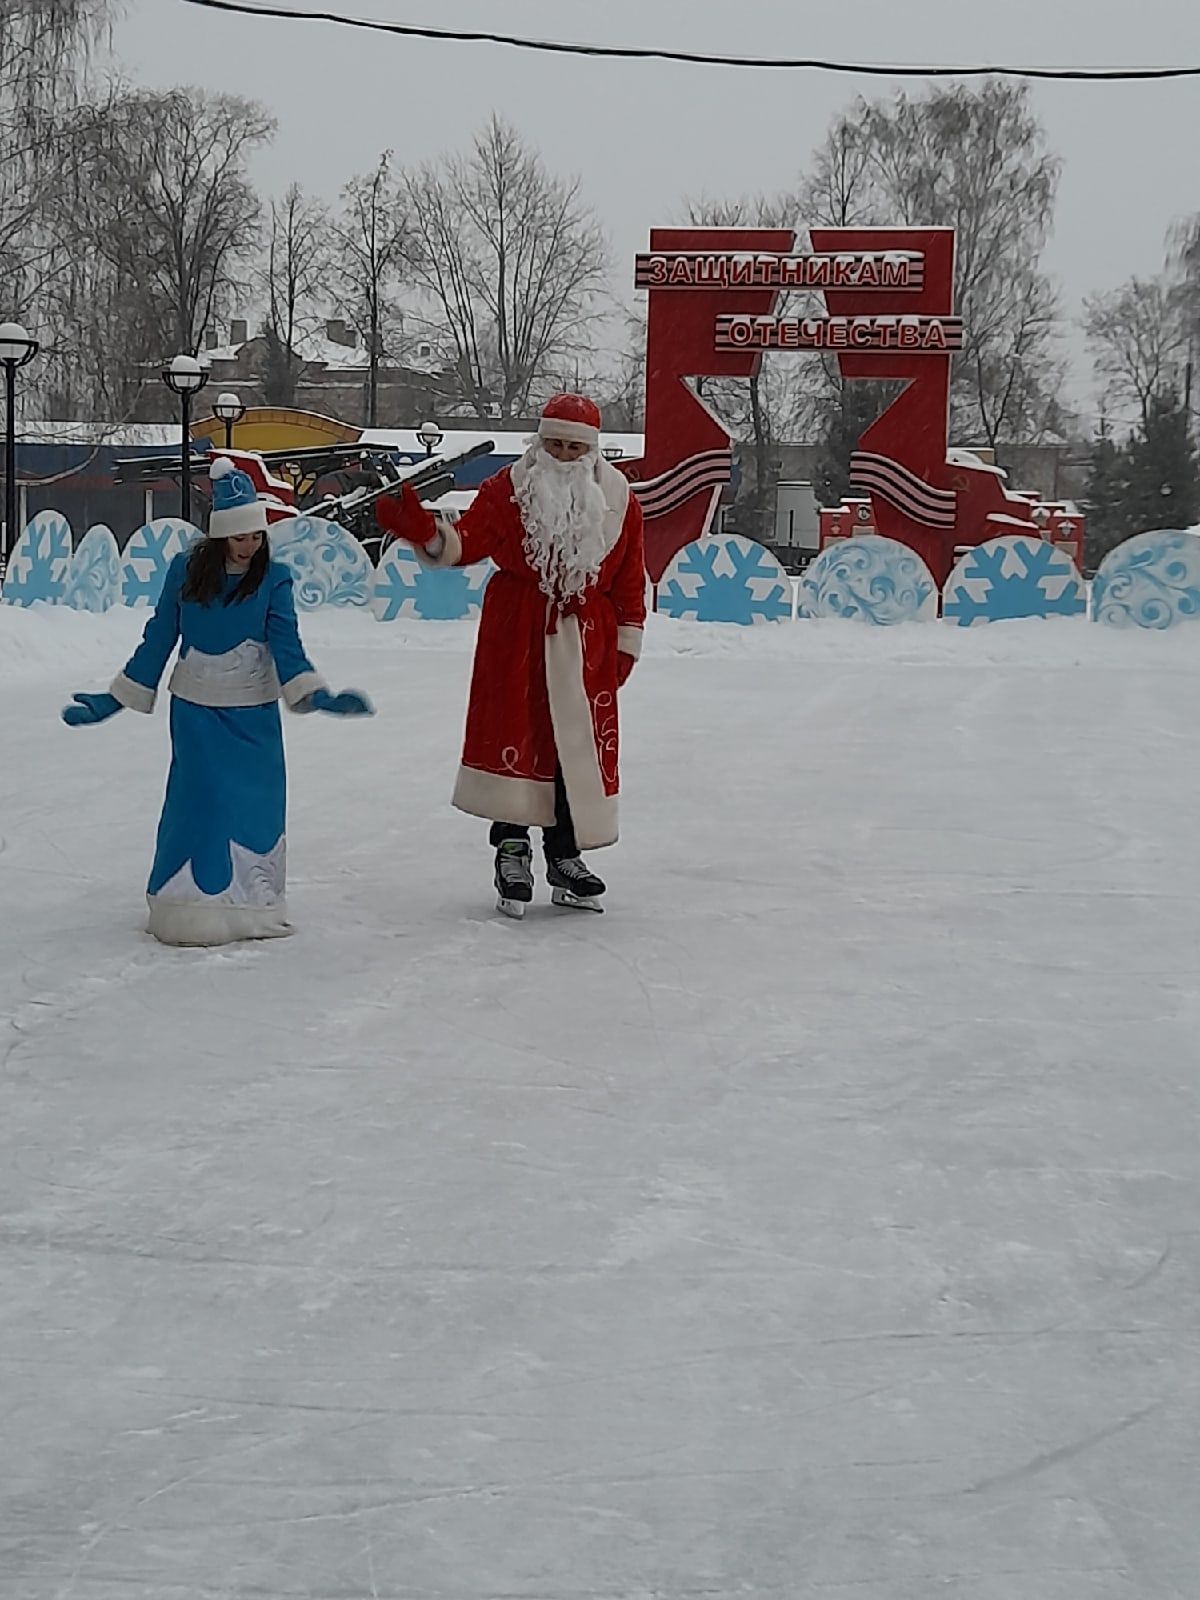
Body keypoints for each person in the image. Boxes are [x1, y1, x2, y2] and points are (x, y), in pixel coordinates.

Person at [61, 458, 373, 946]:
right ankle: (184, 905)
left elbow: (285, 643)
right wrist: (115, 697)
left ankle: (252, 908)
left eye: (257, 536)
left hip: (253, 715)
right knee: (199, 801)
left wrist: (316, 694)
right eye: (240, 537)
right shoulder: (185, 571)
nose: (250, 545)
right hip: (196, 711)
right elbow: (159, 636)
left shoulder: (276, 577)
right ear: (220, 536)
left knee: (257, 803)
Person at [375, 393, 646, 917]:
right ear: (538, 442)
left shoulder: (619, 501)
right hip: (516, 628)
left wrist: (626, 645)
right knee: (517, 735)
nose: (564, 456)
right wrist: (427, 533)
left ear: (592, 451)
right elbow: (471, 540)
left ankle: (566, 854)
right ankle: (512, 848)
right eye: (555, 444)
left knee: (574, 746)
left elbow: (631, 580)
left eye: (574, 447)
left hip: (585, 638)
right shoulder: (509, 490)